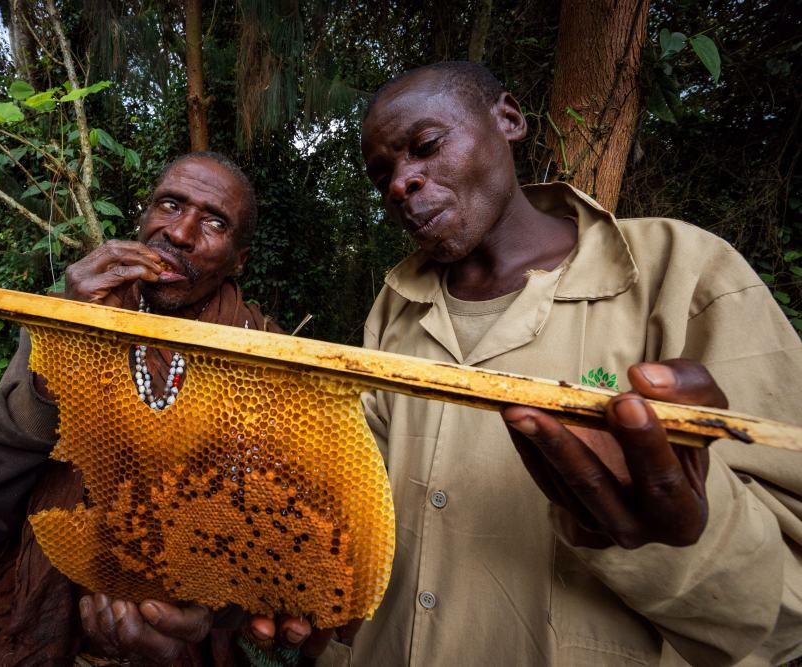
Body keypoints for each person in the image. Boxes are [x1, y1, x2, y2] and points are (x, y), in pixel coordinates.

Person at [317, 62, 802, 666]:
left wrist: (685, 540)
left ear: (509, 120)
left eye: (426, 146)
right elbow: (362, 513)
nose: (400, 184)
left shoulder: (681, 271)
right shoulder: (395, 307)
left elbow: (789, 605)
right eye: (383, 173)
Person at [0, 152, 317, 666]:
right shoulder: (65, 323)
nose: (179, 233)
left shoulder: (267, 359)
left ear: (238, 260)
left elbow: (268, 561)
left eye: (214, 222)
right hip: (46, 643)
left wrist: (205, 615)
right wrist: (63, 358)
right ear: (143, 216)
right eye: (170, 204)